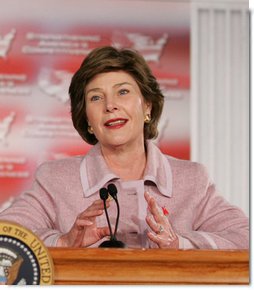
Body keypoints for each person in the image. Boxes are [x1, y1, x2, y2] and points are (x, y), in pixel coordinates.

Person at [0, 46, 249, 249]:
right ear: (87, 119)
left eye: (123, 92)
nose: (110, 105)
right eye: (96, 97)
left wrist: (181, 244)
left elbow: (244, 238)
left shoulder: (192, 179)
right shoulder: (56, 179)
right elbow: (5, 235)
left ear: (148, 107)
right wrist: (63, 242)